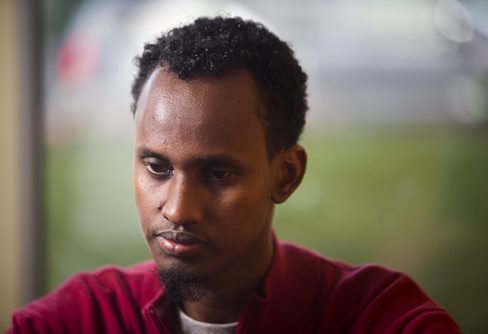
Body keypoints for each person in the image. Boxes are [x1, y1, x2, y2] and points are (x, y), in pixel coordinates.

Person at [8, 16, 460, 333]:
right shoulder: (72, 321)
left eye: (219, 173)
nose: (179, 209)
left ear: (286, 175)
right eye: (156, 167)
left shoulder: (382, 319)